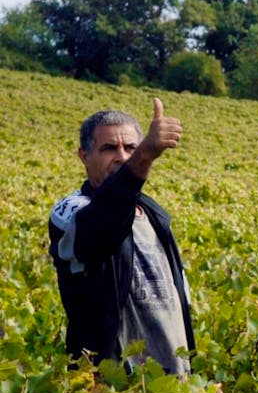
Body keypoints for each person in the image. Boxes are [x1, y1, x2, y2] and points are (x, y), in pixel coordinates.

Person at [48, 99, 194, 375]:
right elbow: (101, 226)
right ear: (83, 156)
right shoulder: (71, 212)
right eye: (108, 148)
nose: (122, 158)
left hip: (173, 382)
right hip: (111, 386)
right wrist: (145, 156)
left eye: (131, 148)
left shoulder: (155, 216)